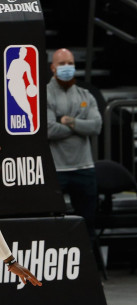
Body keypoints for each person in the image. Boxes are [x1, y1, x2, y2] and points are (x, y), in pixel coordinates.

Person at [47, 48, 102, 241]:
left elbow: (96, 126)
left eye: (70, 63)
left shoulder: (85, 95)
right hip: (57, 169)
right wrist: (80, 125)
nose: (67, 67)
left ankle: (90, 268)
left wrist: (68, 121)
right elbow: (48, 129)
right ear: (53, 67)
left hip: (84, 168)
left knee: (88, 224)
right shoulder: (44, 95)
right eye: (62, 64)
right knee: (51, 223)